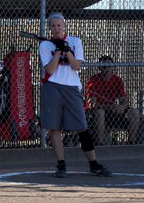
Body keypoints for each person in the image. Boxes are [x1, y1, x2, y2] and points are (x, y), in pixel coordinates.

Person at [39, 12, 112, 178]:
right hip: (52, 87)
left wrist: (67, 50)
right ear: (50, 28)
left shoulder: (75, 41)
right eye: (53, 26)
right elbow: (49, 70)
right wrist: (57, 51)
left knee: (81, 126)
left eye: (59, 25)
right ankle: (61, 165)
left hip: (72, 88)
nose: (56, 29)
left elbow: (76, 66)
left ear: (64, 26)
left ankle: (93, 164)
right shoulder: (45, 46)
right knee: (55, 127)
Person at [84, 55, 140, 145]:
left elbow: (123, 99)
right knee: (100, 113)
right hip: (96, 113)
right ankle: (100, 143)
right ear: (99, 68)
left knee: (134, 112)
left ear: (113, 67)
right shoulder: (93, 81)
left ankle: (131, 142)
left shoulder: (117, 80)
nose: (106, 69)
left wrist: (122, 107)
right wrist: (110, 107)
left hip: (112, 112)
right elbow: (92, 104)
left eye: (109, 66)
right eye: (104, 67)